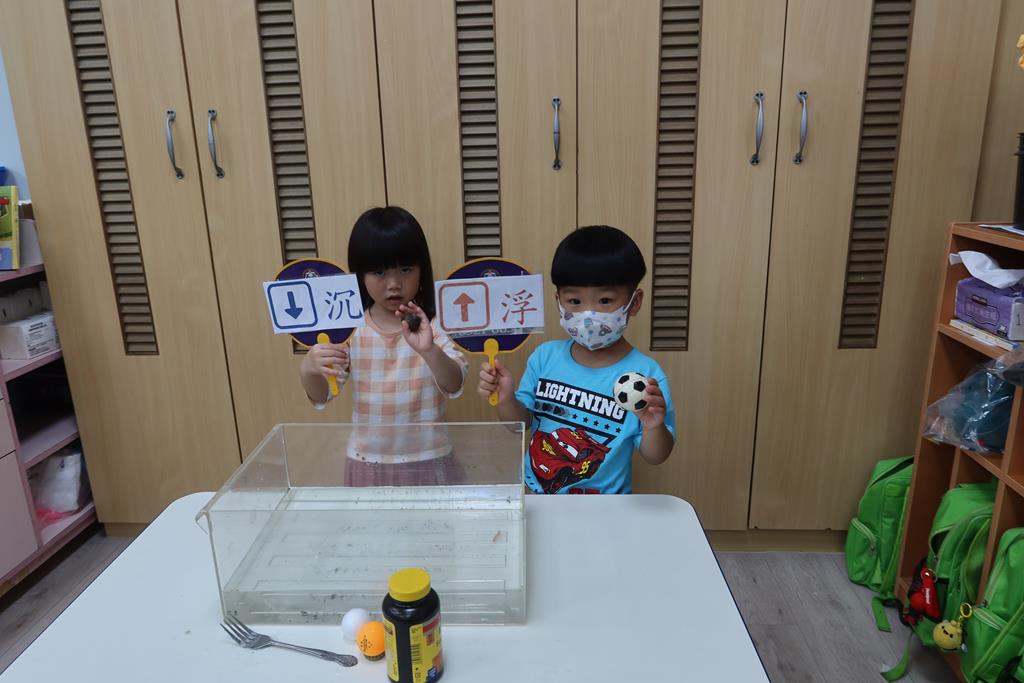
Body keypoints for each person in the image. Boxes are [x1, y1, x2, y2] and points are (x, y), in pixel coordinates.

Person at [478, 225, 675, 494]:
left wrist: (653, 426)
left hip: (607, 506)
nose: (588, 314)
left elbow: (656, 456)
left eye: (605, 300)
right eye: (574, 301)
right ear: (558, 300)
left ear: (635, 302)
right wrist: (505, 399)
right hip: (538, 497)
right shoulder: (545, 357)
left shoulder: (646, 373)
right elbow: (519, 425)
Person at [300, 206, 467, 484]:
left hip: (429, 458)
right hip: (368, 462)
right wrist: (309, 369)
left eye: (406, 269)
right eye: (379, 272)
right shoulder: (350, 328)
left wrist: (429, 350)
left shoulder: (434, 324)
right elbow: (323, 395)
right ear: (359, 275)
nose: (394, 284)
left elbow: (455, 383)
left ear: (422, 269)